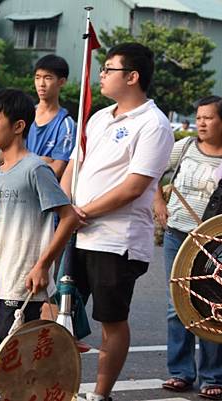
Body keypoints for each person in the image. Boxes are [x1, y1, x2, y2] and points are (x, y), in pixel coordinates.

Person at [59, 42, 174, 401]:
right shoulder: (98, 117)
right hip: (76, 232)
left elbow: (134, 186)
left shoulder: (153, 124)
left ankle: (101, 393)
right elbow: (74, 168)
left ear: (133, 76)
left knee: (110, 318)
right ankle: (59, 386)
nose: (102, 76)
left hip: (115, 239)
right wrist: (63, 209)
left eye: (109, 69)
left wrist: (83, 212)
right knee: (58, 311)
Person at [0, 89, 79, 346]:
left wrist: (42, 266)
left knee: (20, 365)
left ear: (18, 126)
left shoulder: (35, 168)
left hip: (24, 286)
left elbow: (69, 217)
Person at [153, 95, 222, 400]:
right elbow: (153, 171)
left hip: (213, 243)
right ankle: (180, 372)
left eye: (209, 117)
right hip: (178, 234)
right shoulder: (184, 148)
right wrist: (159, 202)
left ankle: (213, 375)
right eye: (199, 117)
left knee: (212, 305)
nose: (202, 123)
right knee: (176, 305)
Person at [27, 55, 76, 179]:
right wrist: (43, 161)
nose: (41, 84)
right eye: (37, 78)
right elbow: (4, 157)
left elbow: (57, 169)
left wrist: (22, 161)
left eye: (48, 78)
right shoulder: (24, 114)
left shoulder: (66, 124)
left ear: (62, 82)